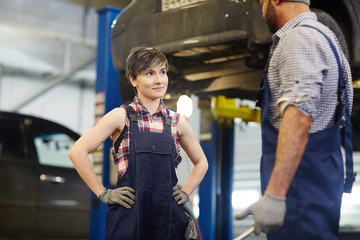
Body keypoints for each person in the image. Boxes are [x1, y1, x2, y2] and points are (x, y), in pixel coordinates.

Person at [235, 0, 356, 239]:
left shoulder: (299, 40)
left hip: (299, 192)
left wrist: (276, 195)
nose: (261, 8)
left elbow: (300, 117)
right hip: (314, 186)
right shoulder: (326, 36)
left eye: (262, 1)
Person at [68, 46, 208, 240]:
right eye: (149, 73)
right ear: (133, 79)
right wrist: (103, 193)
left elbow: (202, 162)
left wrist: (185, 193)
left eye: (163, 72)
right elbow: (77, 151)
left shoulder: (177, 122)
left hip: (168, 220)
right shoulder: (121, 116)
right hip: (129, 218)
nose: (159, 80)